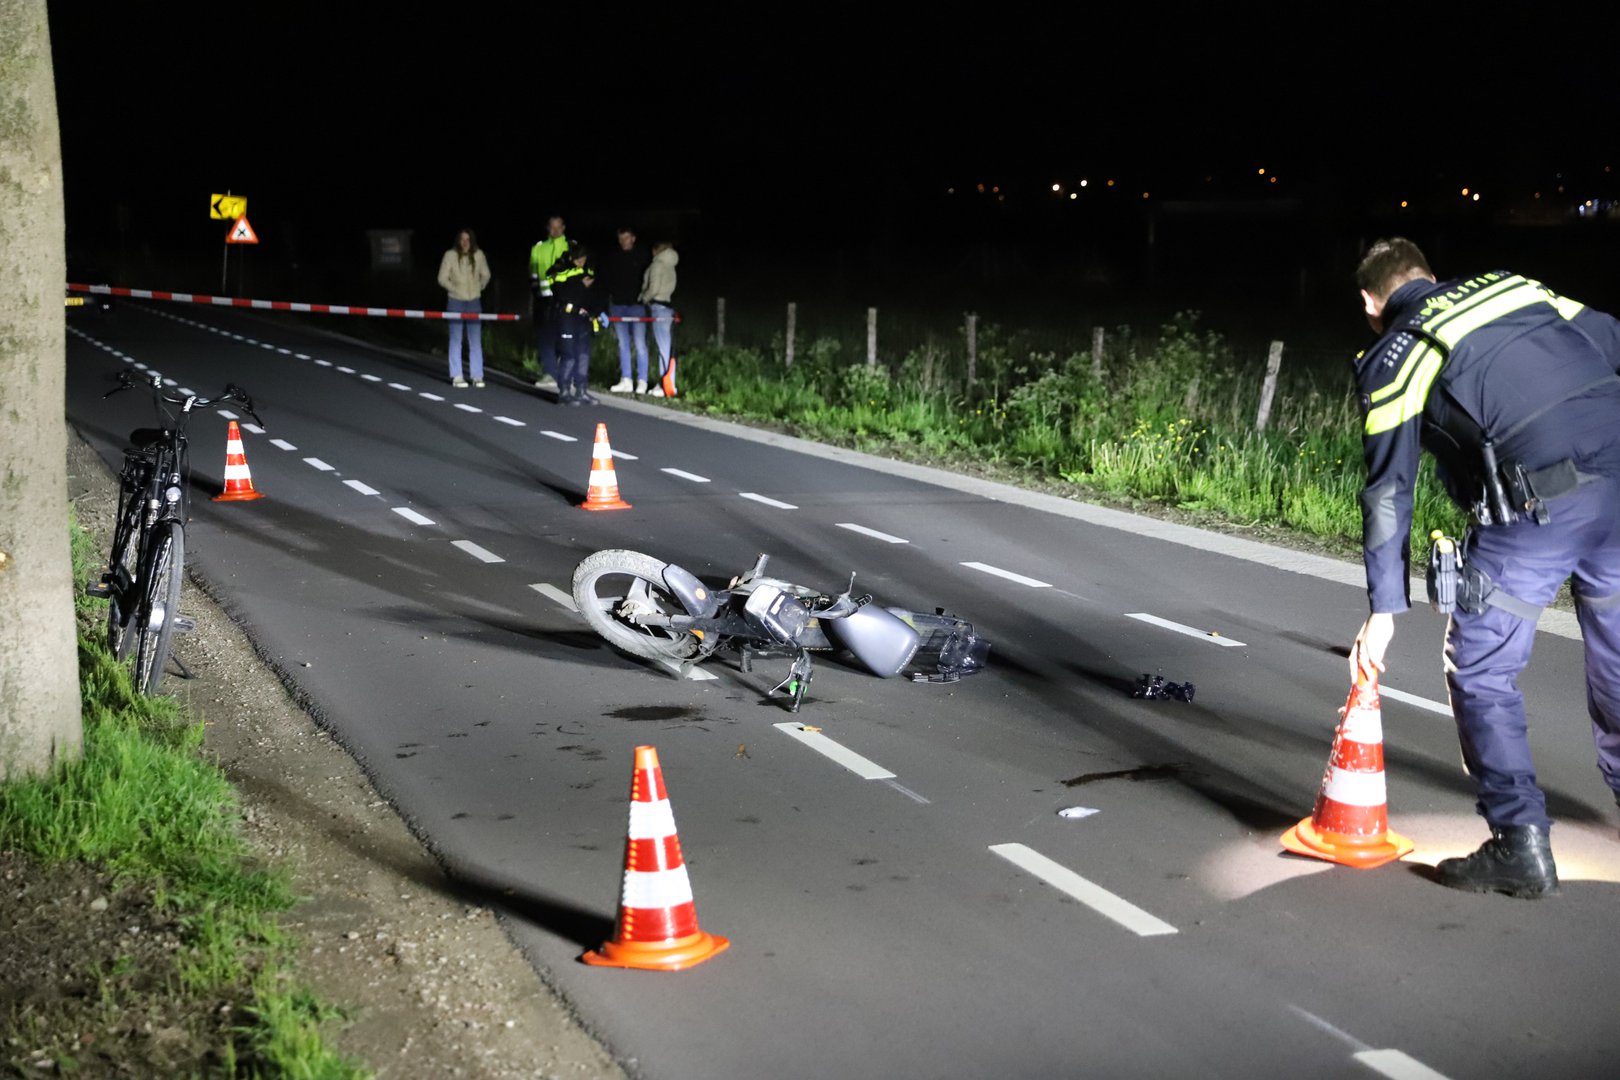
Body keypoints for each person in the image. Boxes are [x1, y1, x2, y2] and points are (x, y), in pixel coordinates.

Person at [1346, 237, 1620, 899]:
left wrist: (1384, 610)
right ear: (1432, 276)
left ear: (1370, 303)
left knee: (1481, 668)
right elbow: (1608, 335)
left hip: (1538, 514)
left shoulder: (1397, 352)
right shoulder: (1514, 286)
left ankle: (1519, 843)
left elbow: (1390, 489)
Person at [436, 228, 491, 388]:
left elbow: (486, 275)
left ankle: (477, 376)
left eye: (468, 239)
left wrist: (479, 287)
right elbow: (442, 278)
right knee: (455, 339)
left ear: (472, 241)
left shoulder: (478, 255)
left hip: (474, 301)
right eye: (462, 239)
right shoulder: (450, 255)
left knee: (475, 340)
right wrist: (453, 288)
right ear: (458, 241)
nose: (465, 242)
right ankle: (457, 375)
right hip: (455, 302)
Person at [601, 226, 652, 394]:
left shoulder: (643, 256)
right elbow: (607, 279)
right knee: (623, 343)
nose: (624, 242)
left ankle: (642, 381)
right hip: (618, 305)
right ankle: (626, 379)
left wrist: (644, 298)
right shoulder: (614, 256)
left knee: (639, 343)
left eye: (627, 238)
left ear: (633, 238)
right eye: (621, 238)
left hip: (636, 306)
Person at [548, 245, 600, 405]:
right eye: (578, 258)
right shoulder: (560, 271)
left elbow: (594, 294)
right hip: (567, 315)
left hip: (583, 317)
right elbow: (560, 293)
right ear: (571, 258)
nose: (581, 261)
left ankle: (581, 390)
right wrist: (580, 286)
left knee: (583, 354)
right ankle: (564, 391)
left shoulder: (588, 271)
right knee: (568, 353)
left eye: (583, 258)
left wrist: (596, 313)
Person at [528, 216, 573, 393]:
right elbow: (532, 274)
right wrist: (536, 294)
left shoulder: (570, 247)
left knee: (565, 337)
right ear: (548, 228)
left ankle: (565, 373)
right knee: (545, 338)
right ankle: (550, 373)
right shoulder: (539, 248)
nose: (555, 231)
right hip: (544, 300)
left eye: (558, 227)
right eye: (552, 227)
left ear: (563, 228)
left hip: (565, 300)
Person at [639, 240, 679, 397]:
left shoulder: (657, 264)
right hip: (667, 306)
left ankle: (666, 384)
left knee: (663, 348)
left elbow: (653, 288)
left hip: (657, 307)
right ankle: (667, 382)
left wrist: (644, 298)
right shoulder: (670, 265)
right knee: (666, 348)